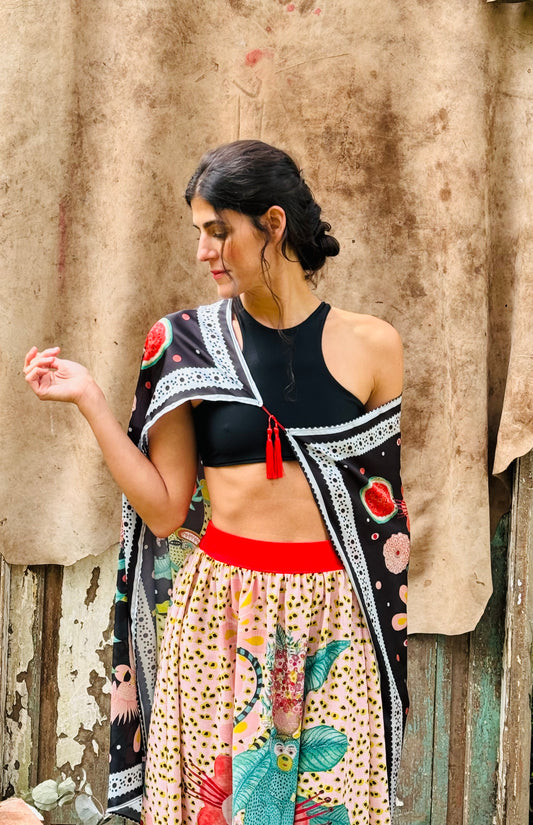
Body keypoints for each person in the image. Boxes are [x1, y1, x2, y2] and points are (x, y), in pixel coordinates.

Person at [24, 140, 409, 825]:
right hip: (220, 613)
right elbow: (165, 511)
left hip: (332, 617)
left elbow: (379, 521)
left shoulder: (374, 346)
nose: (203, 251)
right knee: (213, 805)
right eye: (199, 233)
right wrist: (90, 400)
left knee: (331, 805)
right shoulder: (183, 343)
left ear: (272, 224)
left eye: (218, 231)